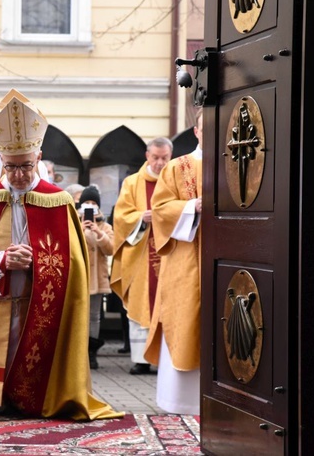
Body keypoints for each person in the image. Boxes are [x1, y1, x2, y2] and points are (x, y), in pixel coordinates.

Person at [0, 89, 122, 421]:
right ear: (1, 159)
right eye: (11, 167)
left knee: (33, 365)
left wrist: (38, 264)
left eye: (26, 166)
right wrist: (1, 261)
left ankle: (33, 401)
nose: (19, 175)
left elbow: (74, 265)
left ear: (39, 158)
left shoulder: (57, 201)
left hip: (35, 307)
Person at [144, 109, 203, 415]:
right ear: (197, 130)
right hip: (186, 262)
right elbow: (161, 208)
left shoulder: (235, 162)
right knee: (185, 319)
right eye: (207, 127)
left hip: (226, 261)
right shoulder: (178, 167)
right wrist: (192, 206)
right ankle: (181, 401)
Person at [110, 136, 174, 375]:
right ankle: (141, 360)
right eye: (155, 157)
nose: (159, 163)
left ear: (170, 157)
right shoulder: (132, 182)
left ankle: (163, 360)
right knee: (138, 307)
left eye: (164, 158)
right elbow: (120, 215)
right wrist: (140, 217)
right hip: (139, 254)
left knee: (167, 306)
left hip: (169, 254)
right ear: (147, 155)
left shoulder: (174, 180)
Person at [77, 185, 114, 370]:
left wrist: (98, 233)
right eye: (86, 203)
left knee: (94, 316)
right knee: (78, 315)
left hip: (97, 279)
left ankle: (92, 353)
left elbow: (111, 249)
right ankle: (78, 352)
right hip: (80, 277)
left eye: (93, 203)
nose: (90, 206)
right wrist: (81, 229)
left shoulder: (105, 226)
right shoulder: (74, 222)